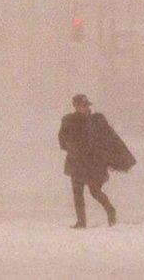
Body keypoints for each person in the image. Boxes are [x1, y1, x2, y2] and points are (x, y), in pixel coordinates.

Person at [58, 94, 135, 229]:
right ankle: (81, 222)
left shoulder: (97, 120)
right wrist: (70, 147)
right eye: (83, 105)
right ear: (76, 106)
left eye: (87, 105)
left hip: (93, 163)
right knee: (77, 193)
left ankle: (110, 210)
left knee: (94, 191)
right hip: (75, 162)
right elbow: (62, 138)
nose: (86, 107)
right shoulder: (68, 120)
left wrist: (119, 157)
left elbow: (111, 138)